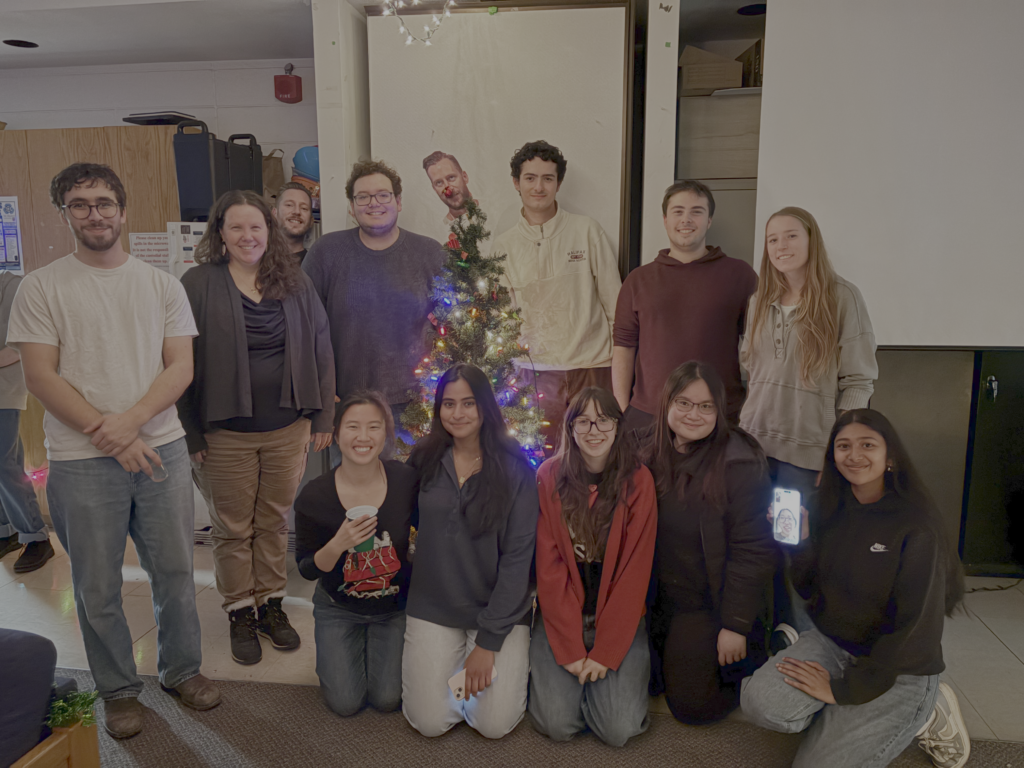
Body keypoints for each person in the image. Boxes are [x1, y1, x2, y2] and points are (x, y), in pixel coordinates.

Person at [8, 163, 220, 739]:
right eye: (80, 205)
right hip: (81, 463)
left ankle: (182, 670)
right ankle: (119, 690)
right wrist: (109, 435)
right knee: (97, 587)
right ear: (65, 215)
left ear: (122, 211)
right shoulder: (41, 286)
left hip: (161, 452)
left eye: (104, 203)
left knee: (174, 573)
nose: (94, 214)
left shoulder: (162, 285)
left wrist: (129, 424)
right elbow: (40, 376)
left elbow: (180, 367)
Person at [740, 409, 970, 768]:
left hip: (898, 667)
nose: (854, 455)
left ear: (890, 456)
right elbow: (810, 590)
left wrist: (843, 691)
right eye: (843, 445)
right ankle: (844, 716)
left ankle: (928, 712)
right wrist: (800, 544)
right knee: (760, 703)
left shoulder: (915, 525)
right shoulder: (827, 508)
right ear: (832, 455)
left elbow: (913, 628)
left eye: (868, 445)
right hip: (834, 643)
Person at [177, 190, 335, 666]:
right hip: (223, 434)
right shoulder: (198, 283)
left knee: (273, 523)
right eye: (237, 227)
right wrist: (190, 431)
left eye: (256, 227)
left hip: (288, 428)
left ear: (270, 231)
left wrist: (323, 415)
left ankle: (271, 605)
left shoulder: (295, 281)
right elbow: (178, 360)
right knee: (232, 529)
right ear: (220, 233)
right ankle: (239, 611)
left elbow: (322, 347)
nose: (248, 236)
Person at [402, 363, 538, 739]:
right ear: (438, 408)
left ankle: (476, 663)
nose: (457, 413)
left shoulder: (516, 469)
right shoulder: (423, 458)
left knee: (492, 725)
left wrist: (488, 642)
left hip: (499, 612)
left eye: (468, 403)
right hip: (433, 606)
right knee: (429, 723)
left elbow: (518, 560)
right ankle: (451, 665)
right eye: (448, 404)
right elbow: (404, 517)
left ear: (484, 407)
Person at [643, 361, 777, 724]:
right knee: (647, 685)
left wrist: (734, 624)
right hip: (655, 599)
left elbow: (753, 551)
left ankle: (760, 655)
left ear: (720, 410)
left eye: (706, 406)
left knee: (693, 707)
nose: (693, 414)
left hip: (710, 602)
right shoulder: (645, 450)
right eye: (684, 403)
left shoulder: (739, 462)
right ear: (667, 402)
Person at [530, 387, 656, 746]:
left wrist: (605, 654)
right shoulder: (549, 475)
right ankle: (576, 689)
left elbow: (634, 574)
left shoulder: (639, 480)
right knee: (557, 725)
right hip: (563, 612)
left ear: (617, 426)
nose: (594, 430)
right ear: (570, 428)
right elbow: (549, 569)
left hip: (617, 614)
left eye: (603, 421)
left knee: (619, 730)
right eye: (583, 422)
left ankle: (597, 691)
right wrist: (571, 651)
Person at [302, 159, 445, 462]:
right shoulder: (326, 253)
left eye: (382, 195)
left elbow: (454, 324)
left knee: (409, 486)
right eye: (363, 197)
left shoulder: (430, 253)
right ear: (351, 207)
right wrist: (319, 391)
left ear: (398, 201)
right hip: (348, 406)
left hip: (415, 404)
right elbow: (303, 327)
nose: (373, 203)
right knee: (354, 489)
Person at [739, 206, 877, 510]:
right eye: (773, 239)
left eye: (791, 236)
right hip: (754, 445)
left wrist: (839, 451)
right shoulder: (758, 301)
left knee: (794, 534)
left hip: (808, 456)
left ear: (812, 240)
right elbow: (752, 372)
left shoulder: (843, 297)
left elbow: (858, 383)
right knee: (754, 531)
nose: (781, 246)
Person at [490, 140, 621, 456]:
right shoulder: (504, 245)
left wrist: (619, 367)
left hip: (592, 366)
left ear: (558, 184)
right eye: (530, 178)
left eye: (547, 178)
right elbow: (501, 319)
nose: (539, 187)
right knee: (540, 461)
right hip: (532, 372)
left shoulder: (587, 231)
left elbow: (615, 304)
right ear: (516, 183)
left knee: (596, 457)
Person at [294, 390, 418, 716]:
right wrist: (338, 543)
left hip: (393, 610)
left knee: (388, 699)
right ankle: (340, 649)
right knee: (345, 703)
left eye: (374, 427)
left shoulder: (405, 480)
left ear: (385, 434)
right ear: (336, 434)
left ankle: (370, 647)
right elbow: (306, 568)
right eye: (352, 427)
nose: (363, 437)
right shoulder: (315, 496)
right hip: (338, 607)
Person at [613, 181, 757, 435]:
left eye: (696, 212)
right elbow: (623, 347)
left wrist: (752, 408)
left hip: (719, 417)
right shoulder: (638, 280)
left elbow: (760, 348)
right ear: (665, 220)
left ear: (709, 220)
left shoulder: (740, 275)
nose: (686, 220)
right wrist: (623, 410)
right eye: (678, 212)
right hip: (649, 419)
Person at [0, 271, 54, 574]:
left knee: (3, 463)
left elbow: (21, 344)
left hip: (5, 390)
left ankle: (36, 536)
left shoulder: (14, 286)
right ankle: (6, 530)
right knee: (6, 461)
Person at [423, 151, 480, 240]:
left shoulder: (493, 211)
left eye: (451, 177)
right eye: (439, 182)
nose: (447, 188)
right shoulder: (439, 235)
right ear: (434, 189)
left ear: (464, 177)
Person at [271, 182, 315, 263]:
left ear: (311, 221)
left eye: (304, 208)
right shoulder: (256, 263)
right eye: (289, 205)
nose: (297, 211)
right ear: (274, 214)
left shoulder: (315, 265)